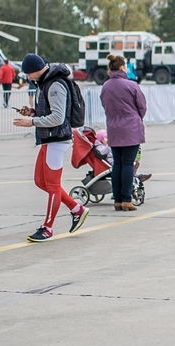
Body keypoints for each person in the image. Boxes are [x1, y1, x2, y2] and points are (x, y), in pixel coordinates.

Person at [12, 53, 89, 241]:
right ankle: (76, 208)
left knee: (52, 185)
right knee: (40, 181)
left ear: (36, 70)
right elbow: (49, 111)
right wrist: (32, 112)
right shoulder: (44, 83)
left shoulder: (55, 85)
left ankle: (47, 228)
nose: (28, 77)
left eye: (28, 74)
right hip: (49, 138)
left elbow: (58, 117)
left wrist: (31, 122)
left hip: (57, 139)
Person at [99, 54, 147, 211]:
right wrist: (136, 118)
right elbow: (142, 106)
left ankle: (117, 199)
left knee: (117, 164)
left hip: (113, 128)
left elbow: (104, 104)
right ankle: (126, 199)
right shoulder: (131, 85)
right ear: (121, 67)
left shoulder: (106, 86)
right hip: (131, 128)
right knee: (127, 163)